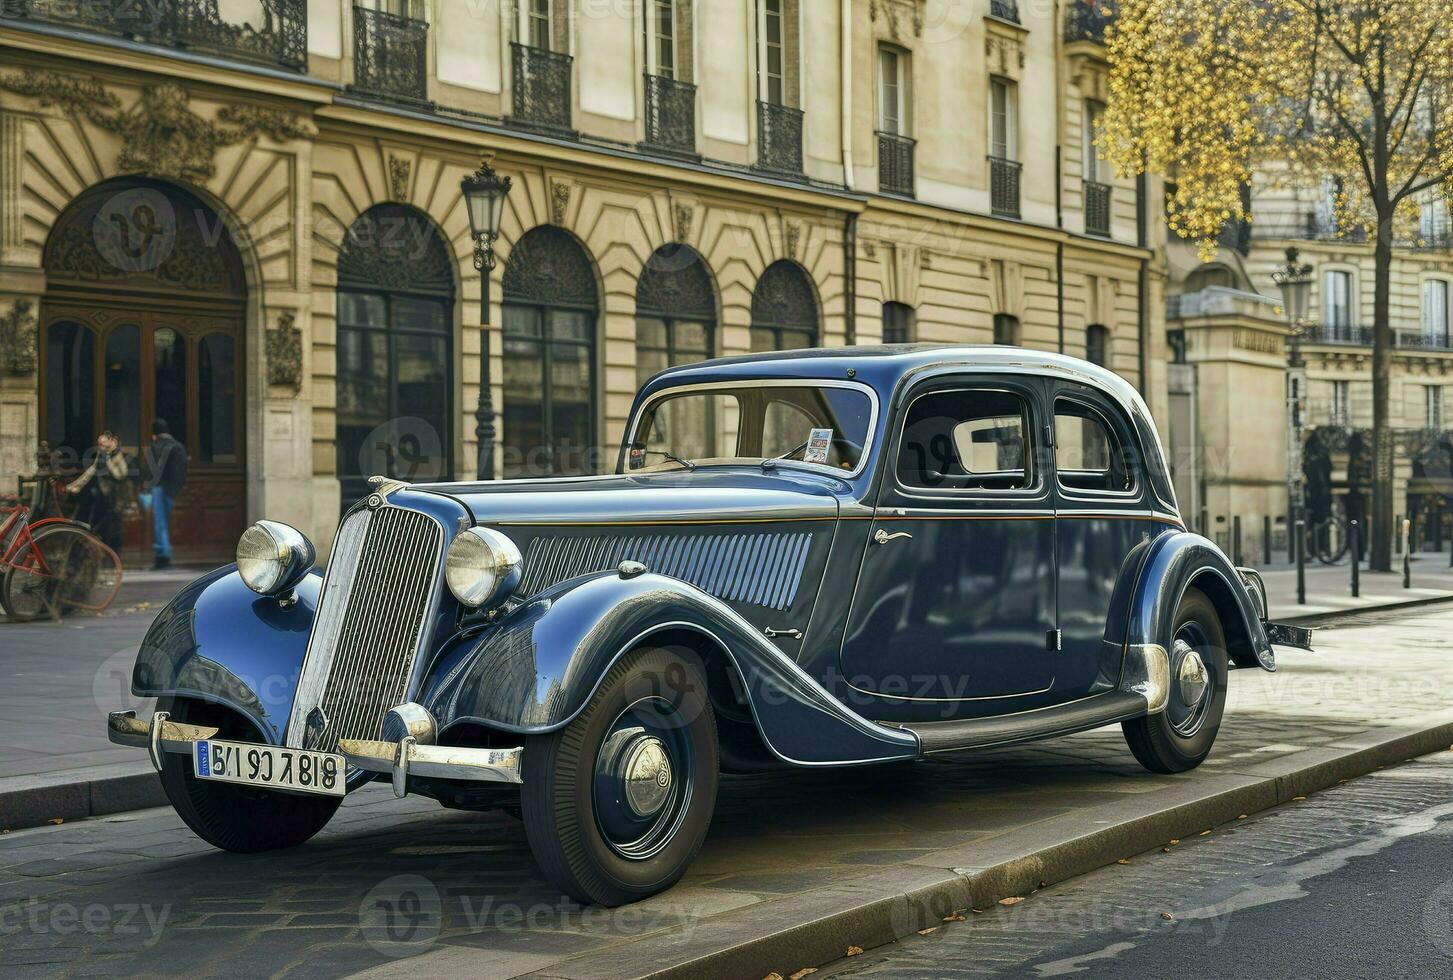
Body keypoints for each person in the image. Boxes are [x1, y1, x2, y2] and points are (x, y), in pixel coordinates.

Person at [66, 431, 133, 553]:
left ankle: (114, 553)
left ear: (111, 441)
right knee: (98, 522)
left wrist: (107, 459)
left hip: (115, 497)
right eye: (99, 444)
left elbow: (120, 475)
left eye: (103, 444)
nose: (100, 447)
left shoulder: (118, 455)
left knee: (113, 525)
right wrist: (75, 486)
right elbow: (91, 471)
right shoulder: (102, 454)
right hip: (101, 495)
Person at [144, 419, 188, 570]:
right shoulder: (178, 446)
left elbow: (149, 470)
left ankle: (162, 557)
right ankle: (164, 555)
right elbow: (181, 472)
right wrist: (175, 490)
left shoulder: (157, 446)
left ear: (155, 434)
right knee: (164, 523)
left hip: (159, 489)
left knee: (160, 524)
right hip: (172, 490)